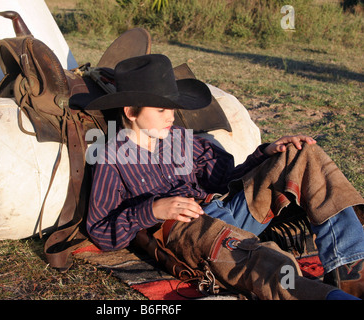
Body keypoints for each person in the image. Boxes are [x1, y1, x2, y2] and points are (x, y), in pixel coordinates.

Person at [81, 54, 364, 300]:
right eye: (161, 109)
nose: (171, 116)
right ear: (131, 112)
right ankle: (328, 297)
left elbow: (225, 179)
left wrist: (267, 153)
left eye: (172, 107)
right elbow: (100, 230)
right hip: (187, 231)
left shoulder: (180, 138)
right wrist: (152, 209)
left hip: (223, 208)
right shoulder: (111, 157)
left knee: (303, 154)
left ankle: (350, 271)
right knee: (260, 260)